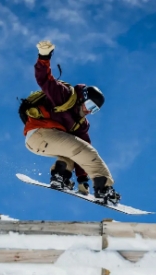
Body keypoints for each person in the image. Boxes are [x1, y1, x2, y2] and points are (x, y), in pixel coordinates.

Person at [22, 40, 120, 203]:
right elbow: (45, 80)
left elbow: (82, 152)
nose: (89, 111)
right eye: (90, 105)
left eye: (94, 110)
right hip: (40, 132)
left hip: (38, 143)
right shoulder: (65, 95)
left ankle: (61, 176)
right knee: (84, 150)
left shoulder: (80, 125)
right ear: (83, 98)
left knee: (72, 155)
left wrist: (82, 181)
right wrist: (44, 56)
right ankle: (104, 188)